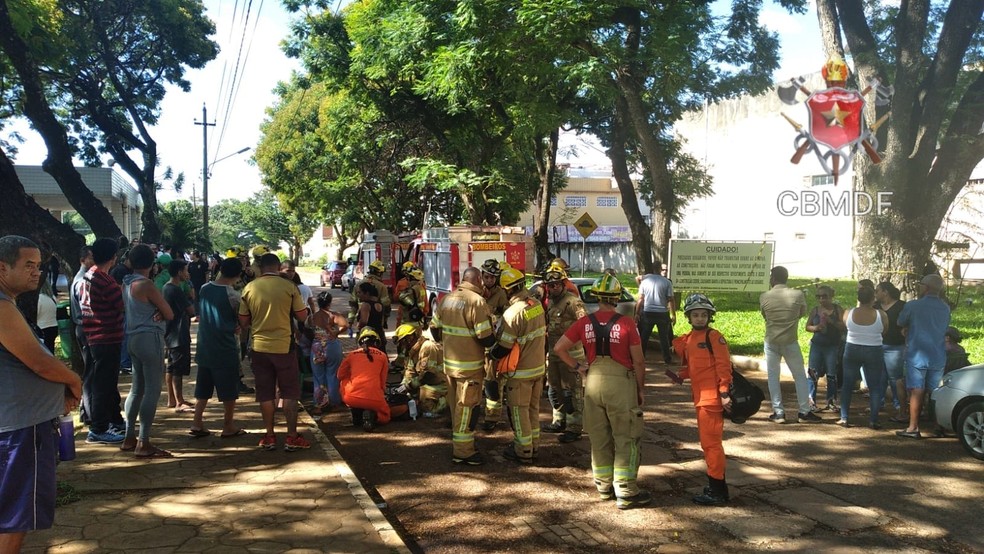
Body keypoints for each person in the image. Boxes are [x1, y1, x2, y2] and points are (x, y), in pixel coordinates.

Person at [0, 235, 83, 552]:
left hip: (20, 424)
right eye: (29, 265)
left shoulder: (9, 304)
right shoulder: (2, 307)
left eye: (39, 265)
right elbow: (38, 363)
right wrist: (73, 379)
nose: (37, 272)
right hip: (21, 429)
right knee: (15, 516)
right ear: (2, 267)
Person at [553, 274, 650, 510]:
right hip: (621, 384)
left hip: (593, 382)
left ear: (596, 297)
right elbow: (638, 361)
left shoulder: (585, 323)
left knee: (599, 438)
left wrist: (578, 368)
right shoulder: (627, 324)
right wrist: (640, 389)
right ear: (616, 298)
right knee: (626, 437)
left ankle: (604, 487)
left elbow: (559, 348)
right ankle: (626, 491)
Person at [239, 252, 311, 451]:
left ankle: (269, 436)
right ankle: (291, 436)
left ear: (260, 268)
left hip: (259, 347)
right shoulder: (289, 286)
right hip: (284, 347)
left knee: (265, 394)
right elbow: (302, 316)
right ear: (278, 267)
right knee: (289, 392)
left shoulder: (249, 288)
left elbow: (243, 322)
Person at [670, 293, 733, 505]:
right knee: (708, 444)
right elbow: (694, 367)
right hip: (700, 398)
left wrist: (724, 392)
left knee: (711, 445)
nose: (699, 318)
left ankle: (717, 493)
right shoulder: (689, 339)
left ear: (709, 316)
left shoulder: (714, 337)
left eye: (703, 315)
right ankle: (717, 487)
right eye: (695, 315)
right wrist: (679, 376)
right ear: (688, 316)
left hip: (712, 399)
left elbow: (724, 366)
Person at [431, 266, 496, 465]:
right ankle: (463, 451)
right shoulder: (476, 302)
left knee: (455, 408)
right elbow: (485, 338)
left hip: (450, 365)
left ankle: (460, 443)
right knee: (467, 408)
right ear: (477, 279)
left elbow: (434, 330)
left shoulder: (447, 299)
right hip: (470, 368)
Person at [488, 264, 547, 464]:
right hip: (538, 369)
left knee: (519, 411)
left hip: (520, 373)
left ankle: (523, 450)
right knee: (532, 409)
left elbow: (504, 346)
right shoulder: (536, 305)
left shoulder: (513, 313)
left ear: (508, 289)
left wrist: (490, 354)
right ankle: (534, 446)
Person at [120, 244, 175, 457]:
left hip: (132, 337)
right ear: (152, 264)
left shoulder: (126, 283)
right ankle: (144, 441)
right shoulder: (146, 284)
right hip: (149, 337)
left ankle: (128, 436)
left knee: (136, 389)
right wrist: (159, 312)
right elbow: (168, 313)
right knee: (152, 389)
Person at [191, 256, 247, 438]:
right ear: (238, 274)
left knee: (203, 388)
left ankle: (197, 423)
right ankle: (228, 425)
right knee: (229, 391)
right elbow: (242, 319)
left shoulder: (205, 288)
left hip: (205, 345)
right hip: (225, 346)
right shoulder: (233, 295)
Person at [79, 237, 127, 444]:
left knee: (106, 383)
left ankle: (115, 420)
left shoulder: (88, 276)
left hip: (94, 337)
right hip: (107, 337)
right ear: (113, 257)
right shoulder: (106, 280)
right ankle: (98, 428)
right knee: (103, 385)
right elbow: (122, 306)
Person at [759, 266, 822, 424]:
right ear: (786, 278)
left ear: (773, 278)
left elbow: (765, 316)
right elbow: (801, 313)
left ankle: (778, 412)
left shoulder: (764, 296)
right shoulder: (798, 294)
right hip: (790, 340)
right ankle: (804, 411)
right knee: (799, 376)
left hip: (771, 340)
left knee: (773, 377)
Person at [896, 274, 951, 439]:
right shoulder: (945, 307)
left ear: (926, 287)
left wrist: (908, 328)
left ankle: (913, 427)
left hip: (917, 354)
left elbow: (900, 321)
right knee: (935, 392)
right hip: (938, 354)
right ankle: (937, 425)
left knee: (916, 390)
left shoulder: (913, 305)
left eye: (920, 285)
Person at [541, 263, 588, 443]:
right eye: (549, 286)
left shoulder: (573, 302)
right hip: (553, 354)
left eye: (556, 285)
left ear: (563, 284)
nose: (552, 288)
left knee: (572, 393)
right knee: (554, 389)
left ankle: (574, 428)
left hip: (571, 356)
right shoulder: (551, 301)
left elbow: (585, 325)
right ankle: (558, 421)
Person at [837, 286, 889, 429]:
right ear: (873, 298)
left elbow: (845, 326)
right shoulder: (881, 314)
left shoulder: (848, 313)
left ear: (858, 298)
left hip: (852, 348)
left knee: (847, 384)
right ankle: (873, 419)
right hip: (874, 349)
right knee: (875, 387)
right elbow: (885, 331)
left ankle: (844, 417)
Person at [338, 328, 392, 431]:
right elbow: (382, 384)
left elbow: (339, 375)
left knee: (344, 380)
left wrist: (352, 375)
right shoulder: (383, 357)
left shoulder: (351, 355)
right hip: (374, 399)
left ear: (360, 342)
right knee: (386, 416)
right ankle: (374, 416)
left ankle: (356, 412)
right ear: (377, 342)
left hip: (351, 397)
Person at [478, 259, 509, 432]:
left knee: (492, 381)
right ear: (482, 276)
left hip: (491, 343)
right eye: (487, 276)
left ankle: (492, 417)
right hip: (476, 344)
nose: (489, 280)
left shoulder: (501, 294)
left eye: (493, 277)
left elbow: (506, 318)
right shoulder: (476, 292)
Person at [805, 285, 845, 412]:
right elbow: (807, 326)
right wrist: (815, 328)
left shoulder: (838, 310)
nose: (822, 299)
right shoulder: (815, 310)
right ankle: (811, 401)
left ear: (831, 296)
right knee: (813, 373)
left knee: (832, 374)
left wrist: (831, 321)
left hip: (832, 346)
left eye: (824, 296)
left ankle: (831, 401)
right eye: (819, 296)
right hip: (817, 345)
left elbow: (844, 327)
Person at [163, 259, 195, 412]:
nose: (187, 273)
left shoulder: (166, 288)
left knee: (171, 366)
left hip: (170, 333)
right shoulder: (176, 290)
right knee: (177, 368)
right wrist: (190, 288)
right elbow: (190, 310)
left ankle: (172, 398)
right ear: (179, 272)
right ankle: (179, 401)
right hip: (178, 333)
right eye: (185, 270)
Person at [308, 291, 348, 413]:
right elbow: (345, 325)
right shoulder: (334, 315)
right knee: (333, 374)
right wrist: (336, 333)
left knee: (318, 377)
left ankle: (319, 405)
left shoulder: (312, 317)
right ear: (329, 303)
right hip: (332, 346)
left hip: (317, 347)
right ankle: (334, 402)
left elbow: (308, 328)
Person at [396, 323, 447, 415]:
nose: (402, 345)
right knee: (408, 397)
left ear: (410, 338)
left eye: (403, 341)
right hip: (430, 383)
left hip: (442, 383)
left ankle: (449, 401)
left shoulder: (427, 347)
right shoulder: (412, 352)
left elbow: (428, 375)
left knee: (424, 399)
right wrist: (402, 387)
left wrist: (409, 386)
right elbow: (409, 373)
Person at [875, 281, 907, 421]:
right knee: (879, 377)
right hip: (877, 345)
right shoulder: (875, 307)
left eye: (877, 291)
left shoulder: (901, 306)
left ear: (885, 292)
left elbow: (907, 324)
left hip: (895, 346)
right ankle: (878, 402)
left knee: (895, 378)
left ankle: (899, 406)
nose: (875, 294)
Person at [635, 260, 676, 363]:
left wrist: (637, 313)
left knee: (644, 336)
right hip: (662, 312)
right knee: (664, 337)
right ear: (660, 269)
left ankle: (641, 357)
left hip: (648, 312)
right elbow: (671, 299)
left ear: (652, 269)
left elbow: (640, 299)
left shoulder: (645, 282)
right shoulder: (667, 282)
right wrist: (673, 314)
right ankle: (667, 359)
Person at [357, 281, 387, 353]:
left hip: (368, 336)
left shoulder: (366, 305)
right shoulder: (380, 304)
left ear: (367, 293)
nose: (358, 295)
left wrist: (358, 326)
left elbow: (364, 321)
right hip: (379, 334)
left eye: (360, 292)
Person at [36, 281, 58, 353]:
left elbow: (36, 314)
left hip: (42, 328)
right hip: (53, 326)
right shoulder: (52, 298)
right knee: (51, 349)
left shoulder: (39, 299)